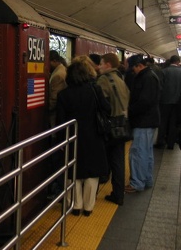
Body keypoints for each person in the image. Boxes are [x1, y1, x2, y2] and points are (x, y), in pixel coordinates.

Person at [56, 55, 110, 216]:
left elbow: (60, 122)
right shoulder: (95, 90)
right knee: (92, 173)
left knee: (73, 172)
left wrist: (61, 142)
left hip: (72, 137)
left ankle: (75, 205)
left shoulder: (63, 95)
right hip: (93, 136)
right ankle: (88, 207)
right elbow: (107, 109)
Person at [96, 53, 130, 206]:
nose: (99, 66)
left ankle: (109, 191)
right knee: (118, 161)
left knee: (106, 159)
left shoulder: (104, 79)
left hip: (110, 126)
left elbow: (100, 103)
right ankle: (118, 193)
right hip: (122, 125)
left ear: (108, 65)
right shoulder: (120, 79)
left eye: (101, 63)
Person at [125, 56, 160, 193]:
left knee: (138, 152)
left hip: (144, 121)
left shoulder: (147, 78)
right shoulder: (149, 76)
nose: (132, 71)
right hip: (147, 121)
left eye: (133, 67)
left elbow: (144, 102)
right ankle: (146, 179)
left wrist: (130, 111)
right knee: (146, 152)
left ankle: (137, 183)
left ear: (139, 65)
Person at [47, 50, 67, 198]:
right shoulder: (62, 71)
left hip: (55, 121)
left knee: (56, 157)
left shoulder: (58, 75)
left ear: (53, 60)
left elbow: (54, 100)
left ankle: (57, 188)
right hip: (58, 121)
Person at [155, 55, 181, 150]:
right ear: (178, 62)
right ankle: (171, 143)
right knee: (173, 123)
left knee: (163, 121)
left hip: (165, 101)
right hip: (177, 102)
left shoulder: (164, 71)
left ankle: (160, 141)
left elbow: (160, 87)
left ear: (170, 62)